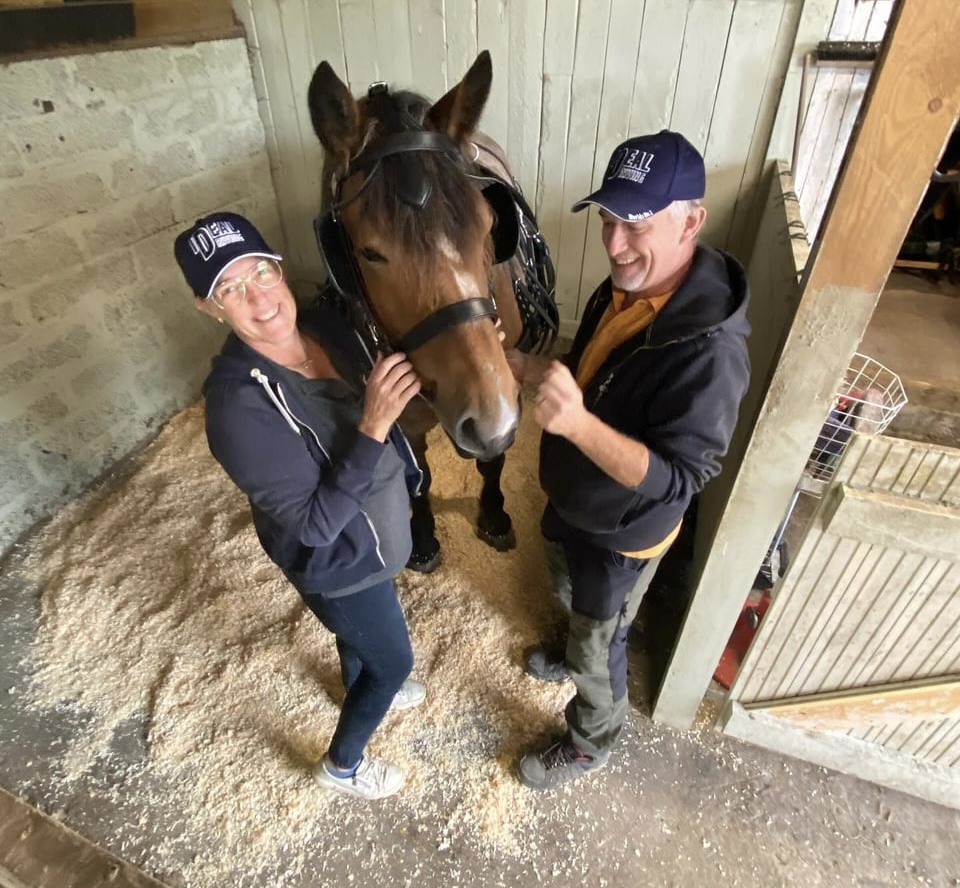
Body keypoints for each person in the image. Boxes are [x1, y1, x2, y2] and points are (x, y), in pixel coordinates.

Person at [506, 130, 751, 790]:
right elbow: (595, 372)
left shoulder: (711, 350)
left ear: (692, 219)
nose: (614, 244)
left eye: (636, 223)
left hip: (623, 533)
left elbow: (683, 480)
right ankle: (572, 642)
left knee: (600, 641)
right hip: (576, 501)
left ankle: (592, 740)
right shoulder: (623, 289)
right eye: (610, 219)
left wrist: (579, 427)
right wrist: (533, 368)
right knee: (566, 591)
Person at [174, 212, 426, 801]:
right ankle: (342, 764)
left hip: (375, 531)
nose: (259, 299)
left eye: (260, 271)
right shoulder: (235, 408)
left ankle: (355, 674)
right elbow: (316, 526)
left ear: (279, 268)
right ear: (208, 307)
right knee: (393, 665)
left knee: (365, 641)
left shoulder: (322, 328)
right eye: (230, 289)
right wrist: (372, 426)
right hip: (339, 563)